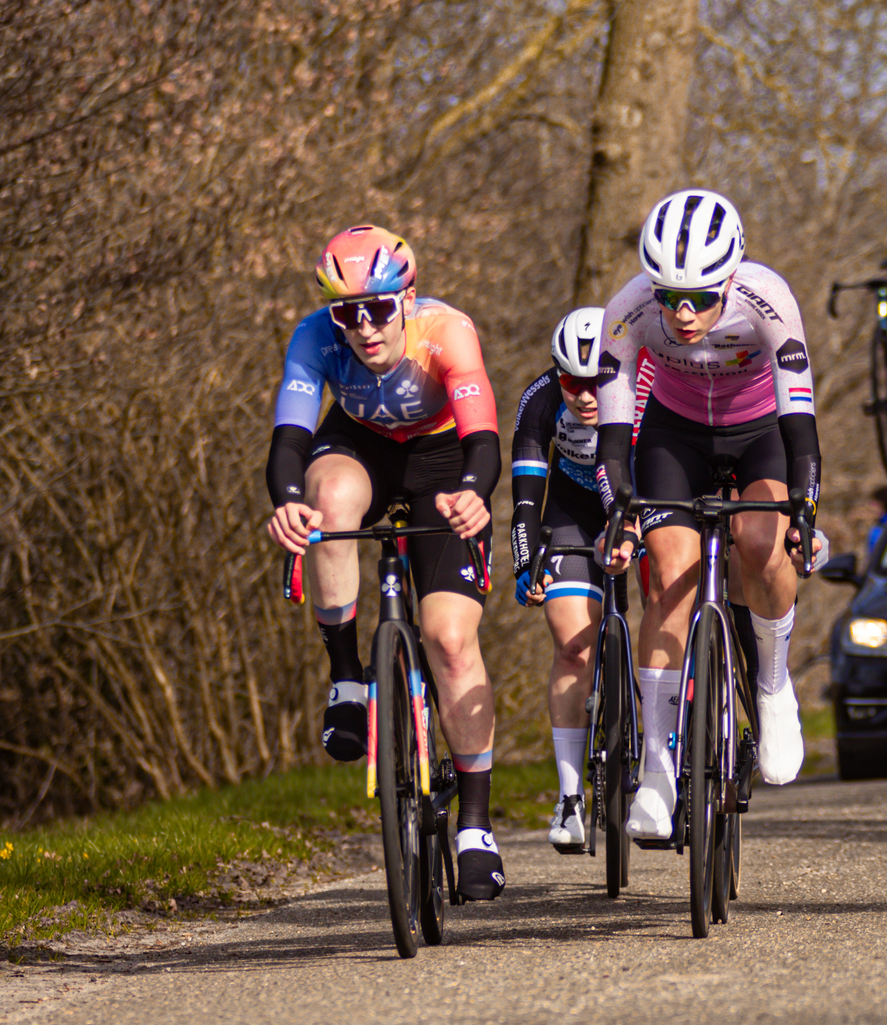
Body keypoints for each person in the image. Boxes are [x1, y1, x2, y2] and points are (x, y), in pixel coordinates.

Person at [265, 223, 506, 900]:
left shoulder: (447, 332)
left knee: (451, 640)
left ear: (407, 298)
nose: (364, 328)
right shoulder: (315, 338)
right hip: (361, 446)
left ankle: (476, 827)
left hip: (442, 460)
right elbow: (289, 439)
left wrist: (474, 494)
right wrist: (288, 502)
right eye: (348, 313)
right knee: (329, 500)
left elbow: (483, 436)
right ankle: (346, 678)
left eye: (377, 309)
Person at [596, 189, 825, 843]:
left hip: (761, 431)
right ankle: (659, 768)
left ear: (731, 278)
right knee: (671, 574)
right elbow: (615, 436)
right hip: (675, 434)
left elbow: (801, 426)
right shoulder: (628, 311)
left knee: (762, 541)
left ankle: (774, 689)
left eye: (700, 297)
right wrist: (620, 512)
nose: (685, 312)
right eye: (671, 297)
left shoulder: (769, 300)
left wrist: (802, 511)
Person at [509, 306, 617, 852]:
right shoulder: (541, 400)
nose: (586, 393)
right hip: (571, 511)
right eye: (574, 380)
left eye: (597, 379)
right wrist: (525, 560)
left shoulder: (643, 384)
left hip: (637, 495)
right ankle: (571, 796)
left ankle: (676, 761)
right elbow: (528, 493)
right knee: (573, 642)